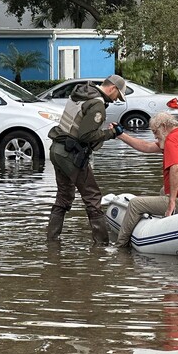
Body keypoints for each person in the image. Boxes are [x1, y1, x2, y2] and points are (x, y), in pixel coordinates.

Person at [46, 74, 127, 245]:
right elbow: (86, 135)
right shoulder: (97, 103)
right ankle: (102, 245)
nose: (115, 100)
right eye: (117, 95)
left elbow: (77, 127)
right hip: (70, 155)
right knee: (92, 196)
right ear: (112, 88)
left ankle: (52, 242)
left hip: (57, 150)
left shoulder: (82, 93)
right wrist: (112, 133)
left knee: (63, 196)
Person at [115, 112, 178, 247]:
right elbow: (146, 146)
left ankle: (119, 247)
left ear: (163, 126)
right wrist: (121, 135)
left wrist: (172, 202)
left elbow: (176, 168)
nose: (154, 136)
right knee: (164, 190)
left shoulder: (171, 140)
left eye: (155, 132)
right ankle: (169, 224)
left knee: (135, 204)